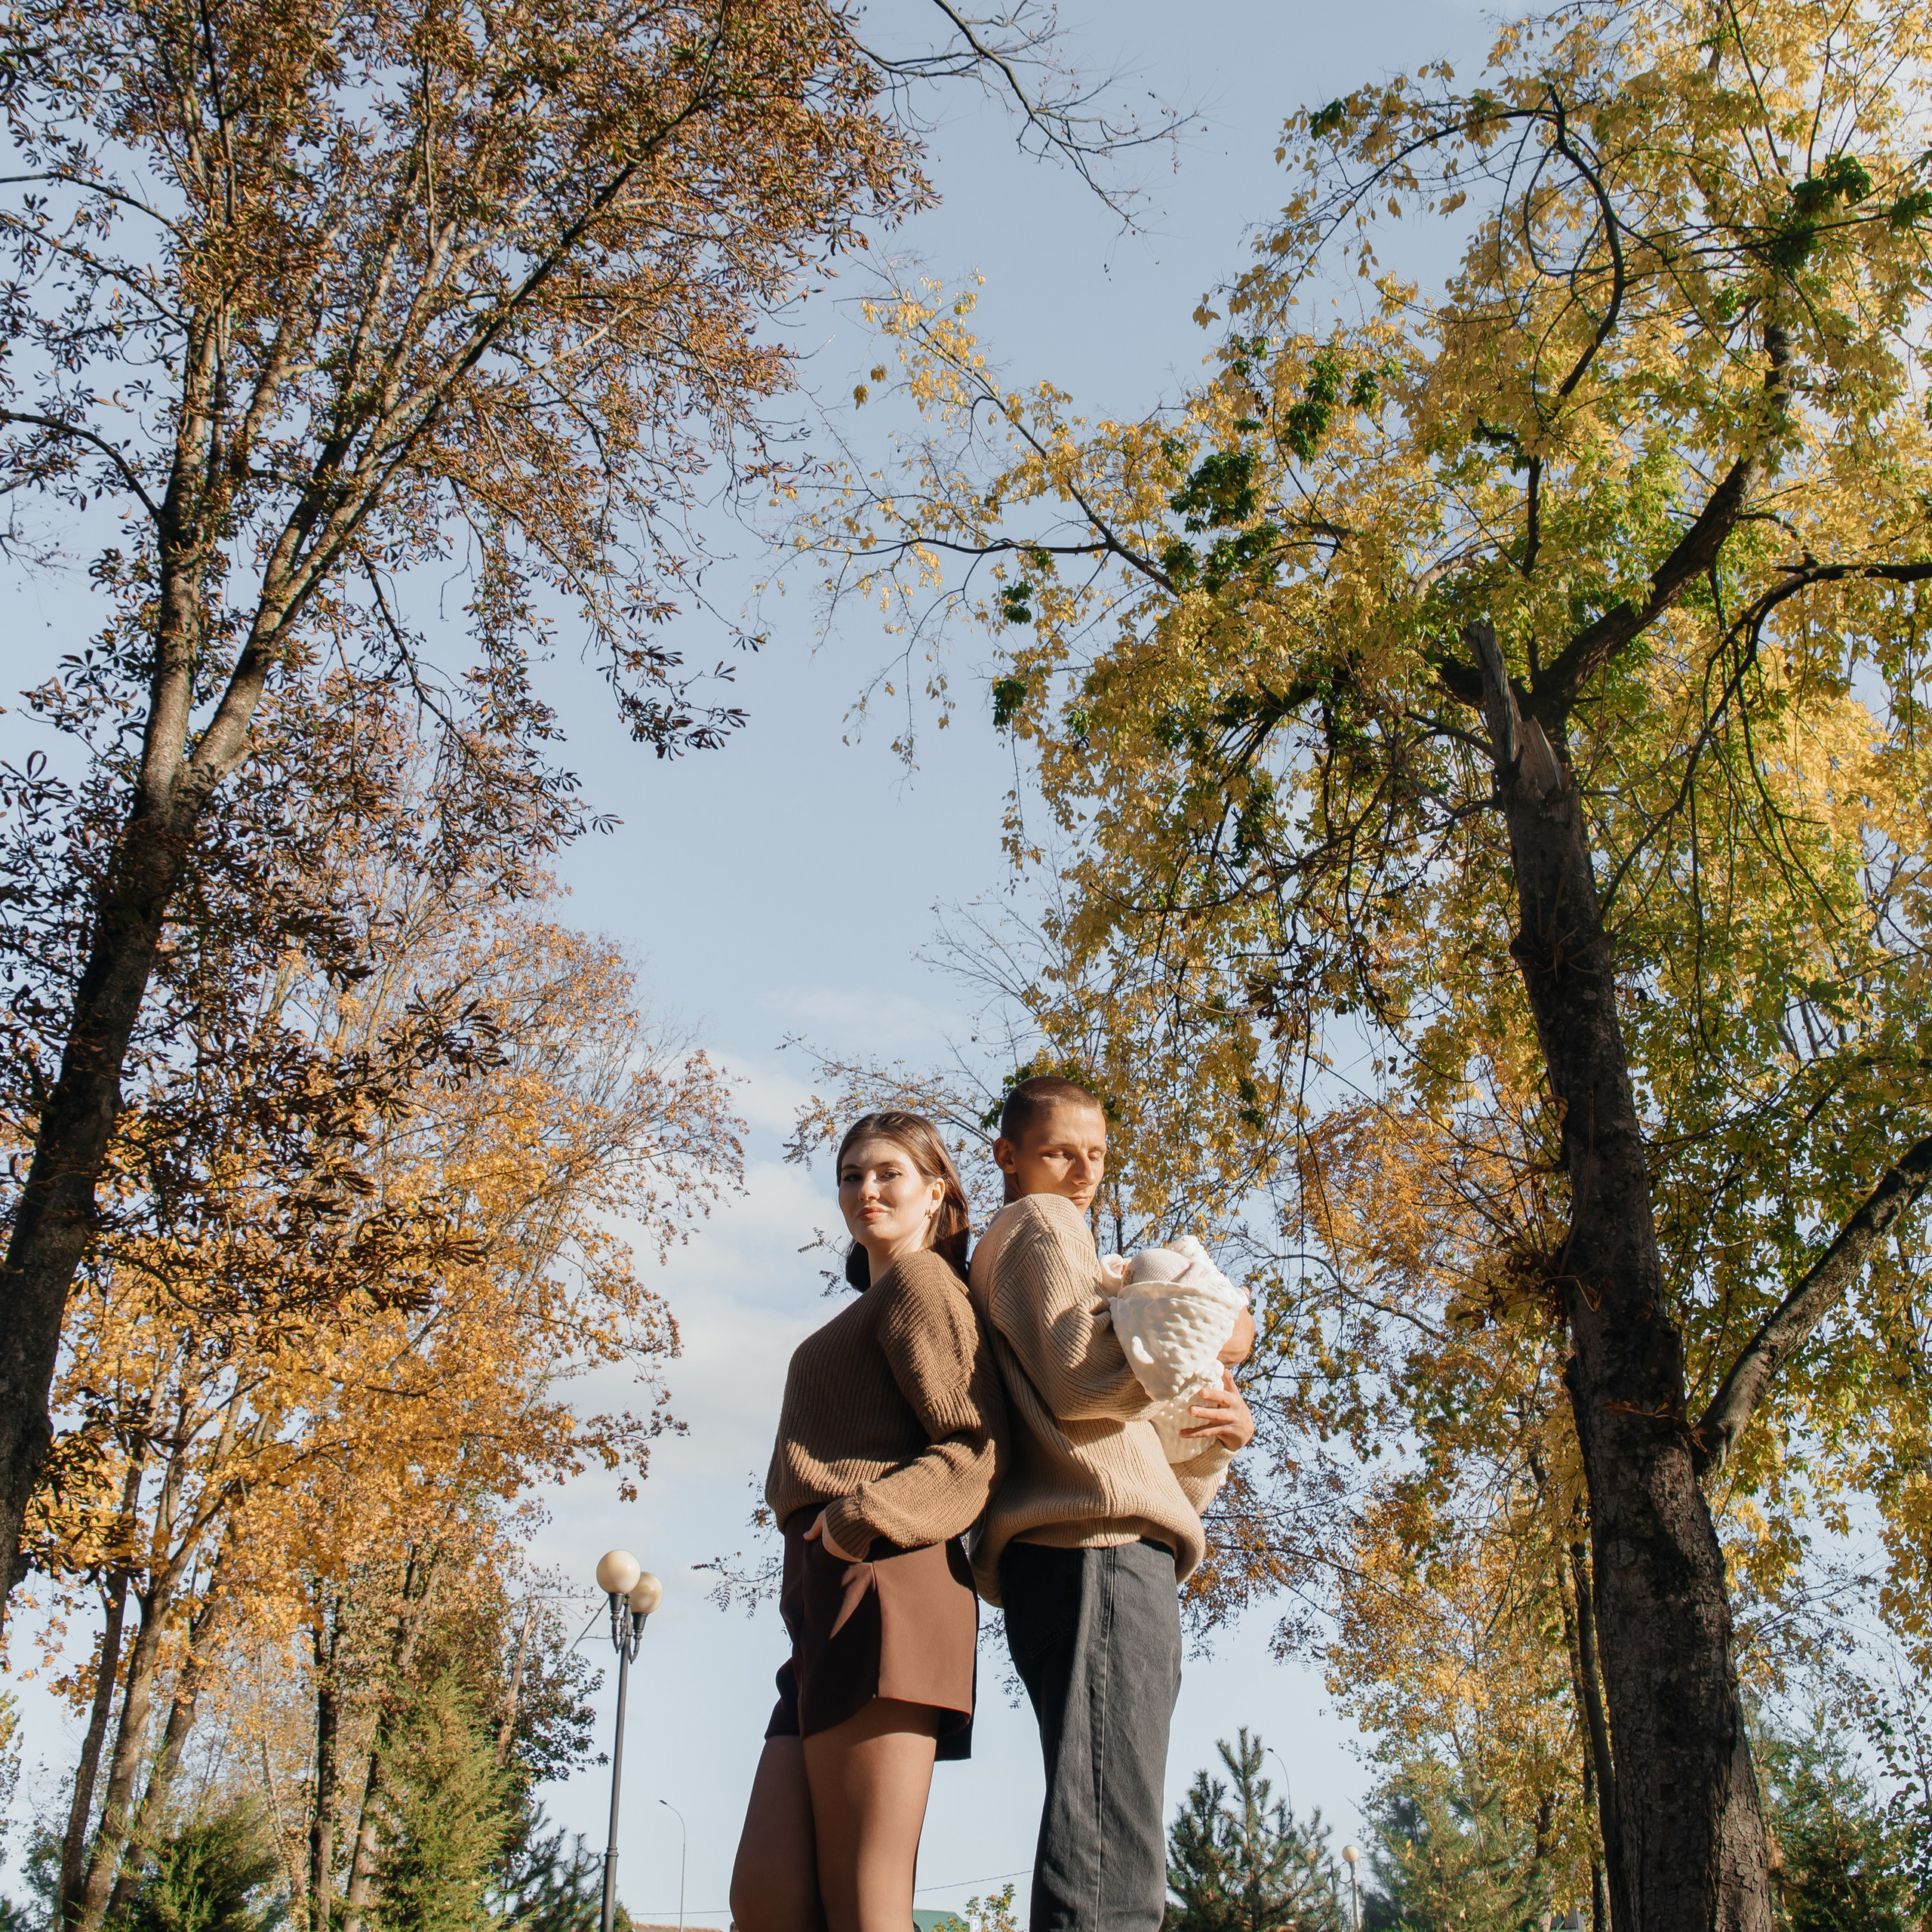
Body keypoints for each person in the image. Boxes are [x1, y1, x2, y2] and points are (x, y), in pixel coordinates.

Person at [969, 1075, 1255, 1932]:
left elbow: (1147, 1452)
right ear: (1008, 1159)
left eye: (1095, 1154)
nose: (1083, 1172)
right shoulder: (1041, 1222)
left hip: (1109, 1554)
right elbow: (1083, 1376)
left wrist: (1217, 1426)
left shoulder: (1078, 1254)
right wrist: (1223, 1324)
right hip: (1096, 1554)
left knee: (1108, 1840)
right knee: (1108, 1866)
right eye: (1060, 1151)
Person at [731, 1111, 1004, 1932]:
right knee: (766, 1901)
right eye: (851, 1174)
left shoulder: (921, 1284)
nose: (865, 1189)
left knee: (865, 1902)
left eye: (888, 1172)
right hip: (821, 1594)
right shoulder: (878, 1298)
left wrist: (860, 1518)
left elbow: (973, 1446)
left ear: (936, 1193)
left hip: (886, 1582)